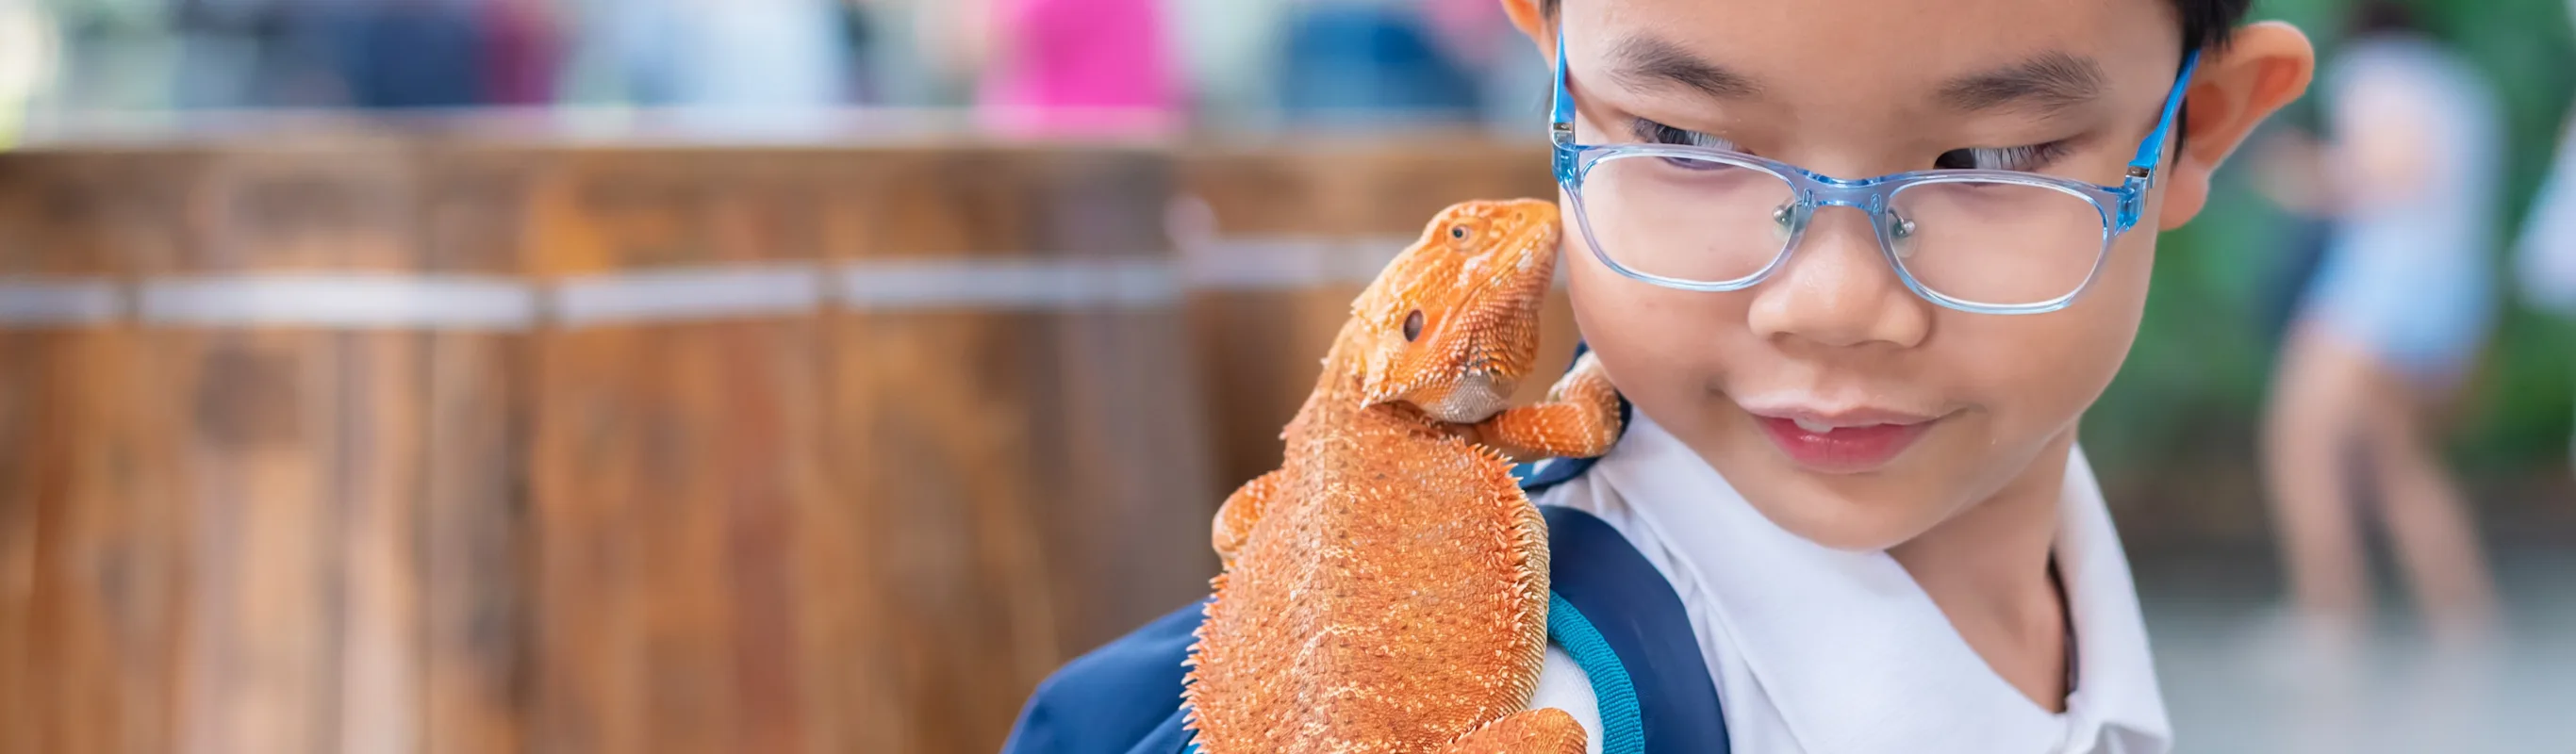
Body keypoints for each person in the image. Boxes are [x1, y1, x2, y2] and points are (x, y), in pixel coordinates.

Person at [1005, 0, 2313, 751]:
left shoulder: (2079, 626)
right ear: (1551, 56)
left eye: (1988, 160)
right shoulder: (1557, 704)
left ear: (2201, 124)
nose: (1833, 304)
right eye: (1683, 138)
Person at [2260, 1, 2504, 649]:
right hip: (2455, 296)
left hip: (2379, 290)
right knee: (2398, 457)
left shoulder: (2373, 71)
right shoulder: (2461, 83)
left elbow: (2396, 169)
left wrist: (2304, 174)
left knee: (2301, 444)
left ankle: (2328, 614)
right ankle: (2464, 616)